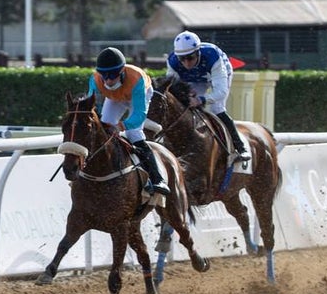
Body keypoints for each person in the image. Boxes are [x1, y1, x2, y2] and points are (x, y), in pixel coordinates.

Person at [88, 47, 169, 196]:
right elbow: (92, 108)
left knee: (133, 133)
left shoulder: (136, 79)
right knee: (104, 128)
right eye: (104, 75)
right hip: (114, 98)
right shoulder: (95, 80)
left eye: (113, 75)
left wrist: (121, 126)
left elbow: (139, 115)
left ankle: (157, 178)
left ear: (122, 71)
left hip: (137, 96)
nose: (108, 80)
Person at [165, 30, 250, 165]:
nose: (186, 63)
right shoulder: (173, 61)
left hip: (216, 74)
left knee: (217, 108)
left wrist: (201, 100)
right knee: (183, 105)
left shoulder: (212, 56)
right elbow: (172, 89)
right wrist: (186, 94)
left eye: (190, 58)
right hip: (194, 79)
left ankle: (239, 147)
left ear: (198, 52)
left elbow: (221, 92)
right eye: (182, 59)